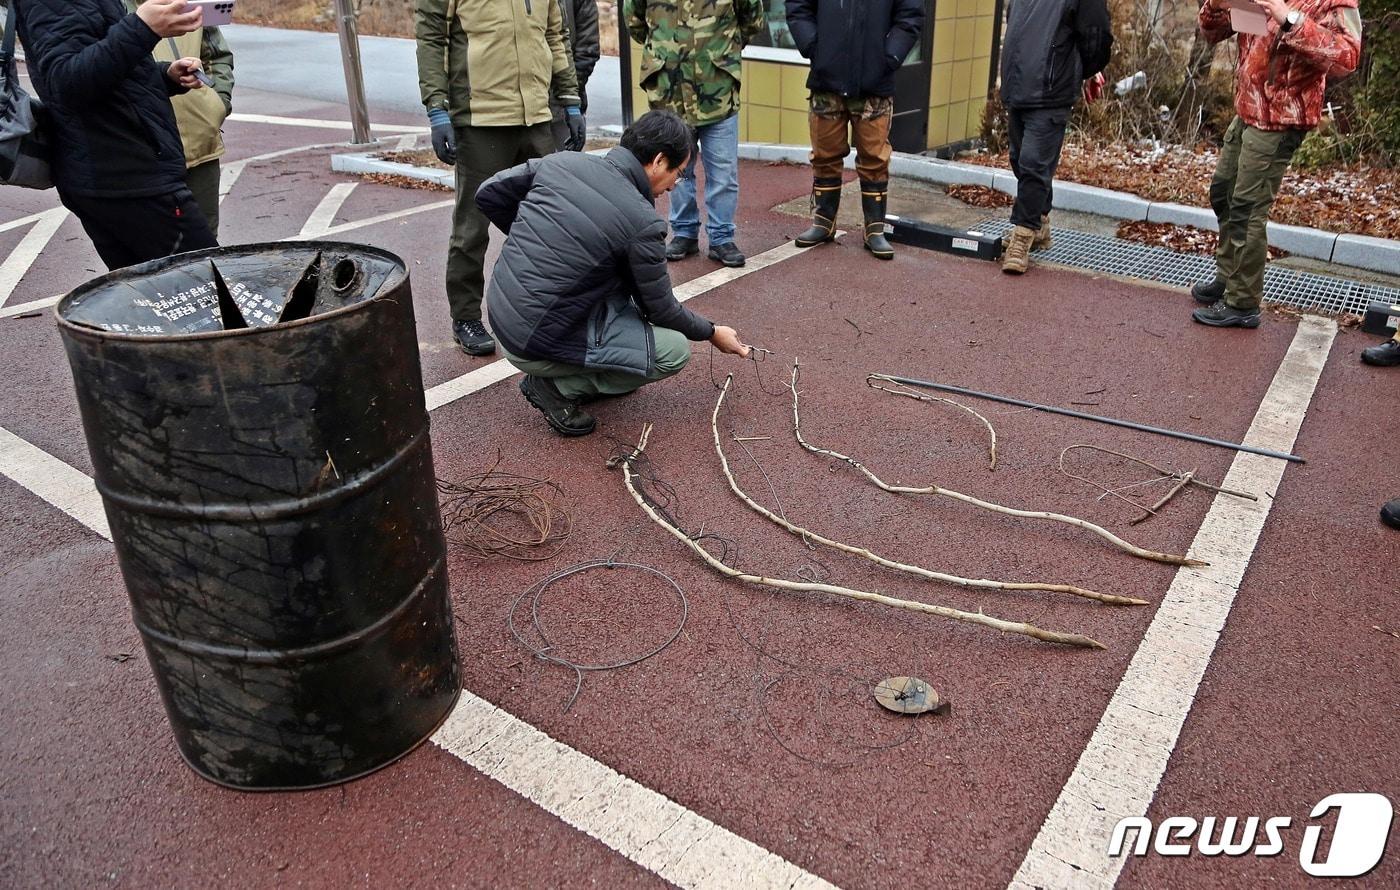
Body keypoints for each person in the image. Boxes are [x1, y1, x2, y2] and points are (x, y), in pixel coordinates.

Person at [477, 111, 751, 437]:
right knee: (672, 350)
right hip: (531, 342)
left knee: (622, 297)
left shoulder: (562, 163)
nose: (673, 185)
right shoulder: (642, 221)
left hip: (500, 312)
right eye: (678, 174)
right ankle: (558, 388)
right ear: (658, 161)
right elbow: (660, 309)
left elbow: (489, 192)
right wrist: (711, 332)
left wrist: (534, 237)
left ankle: (583, 370)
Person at [415, 0, 584, 357]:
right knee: (471, 230)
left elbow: (556, 36)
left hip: (536, 117)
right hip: (481, 120)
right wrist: (437, 109)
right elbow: (431, 37)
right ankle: (465, 318)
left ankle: (551, 310)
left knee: (552, 225)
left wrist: (570, 100)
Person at [1190, 0, 1361, 328]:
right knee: (1223, 193)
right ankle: (1228, 276)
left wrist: (1290, 20)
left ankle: (1242, 303)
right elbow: (1212, 33)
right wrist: (1217, 5)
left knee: (1247, 207)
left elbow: (1347, 58)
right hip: (1248, 110)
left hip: (1283, 118)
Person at [15, 0, 218, 270]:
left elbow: (108, 74)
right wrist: (142, 27)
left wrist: (167, 75)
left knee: (150, 297)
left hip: (117, 171)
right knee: (213, 288)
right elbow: (66, 82)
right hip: (125, 177)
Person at [624, 0, 764, 269]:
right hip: (669, 91)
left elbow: (752, 20)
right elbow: (635, 21)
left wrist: (721, 50)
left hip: (716, 88)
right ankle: (685, 232)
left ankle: (722, 237)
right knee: (676, 171)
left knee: (723, 171)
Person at [786, 0, 923, 260]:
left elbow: (911, 15)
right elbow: (797, 6)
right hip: (827, 79)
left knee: (874, 158)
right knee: (824, 155)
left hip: (874, 83)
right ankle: (823, 222)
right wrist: (814, 47)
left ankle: (875, 230)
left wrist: (890, 56)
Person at [997, 0, 1112, 275]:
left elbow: (1097, 36)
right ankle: (1039, 222)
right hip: (1019, 86)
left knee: (1034, 164)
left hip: (1051, 91)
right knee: (1019, 159)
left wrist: (1075, 70)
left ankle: (1022, 238)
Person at [122, 0, 233, 236]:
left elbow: (217, 55)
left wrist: (217, 105)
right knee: (148, 254)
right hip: (145, 155)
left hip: (201, 147)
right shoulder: (108, 6)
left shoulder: (189, 1)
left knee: (204, 247)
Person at [551, 0, 599, 151]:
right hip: (515, 107)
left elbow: (587, 51)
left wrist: (568, 93)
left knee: (561, 168)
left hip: (561, 106)